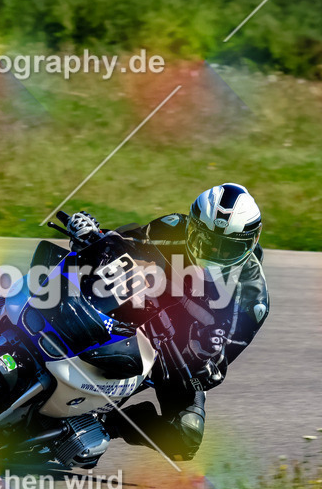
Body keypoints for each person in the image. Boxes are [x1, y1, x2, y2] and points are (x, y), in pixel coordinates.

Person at [100, 183, 270, 461]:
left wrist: (189, 350)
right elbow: (123, 241)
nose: (212, 253)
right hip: (134, 303)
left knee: (186, 435)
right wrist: (94, 234)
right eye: (205, 240)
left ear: (251, 241)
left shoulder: (252, 300)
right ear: (192, 225)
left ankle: (106, 425)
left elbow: (211, 369)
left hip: (176, 355)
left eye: (227, 248)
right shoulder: (173, 228)